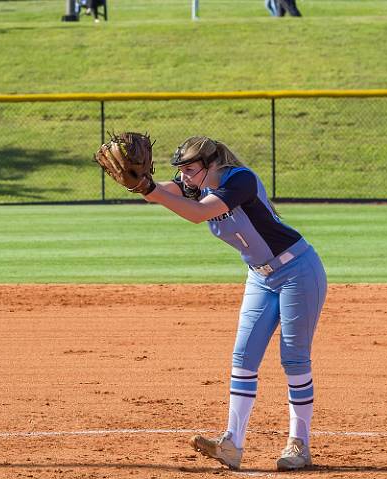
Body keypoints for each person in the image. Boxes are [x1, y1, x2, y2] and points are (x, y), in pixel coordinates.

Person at [141, 136, 327, 471]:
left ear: (212, 165)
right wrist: (145, 185)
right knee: (243, 356)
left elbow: (198, 214)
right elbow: (174, 191)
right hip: (260, 277)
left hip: (298, 270)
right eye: (181, 170)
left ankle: (298, 444)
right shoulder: (199, 184)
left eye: (190, 169)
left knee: (294, 357)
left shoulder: (239, 180)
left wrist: (150, 191)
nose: (185, 177)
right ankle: (232, 444)